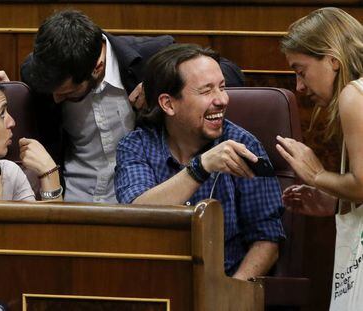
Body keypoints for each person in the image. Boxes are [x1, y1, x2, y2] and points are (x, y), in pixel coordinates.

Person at [0, 10, 245, 203]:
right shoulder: (44, 72)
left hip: (141, 203)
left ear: (97, 67)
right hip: (71, 204)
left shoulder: (152, 57)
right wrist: (0, 89)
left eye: (69, 94)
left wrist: (158, 84)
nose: (56, 99)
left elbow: (231, 75)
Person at [114, 44, 285, 279]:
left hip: (226, 284)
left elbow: (267, 239)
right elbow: (138, 215)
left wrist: (230, 295)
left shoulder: (243, 145)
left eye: (222, 88)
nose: (222, 100)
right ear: (168, 104)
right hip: (155, 286)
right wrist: (200, 167)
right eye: (207, 91)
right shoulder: (136, 146)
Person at [276, 7, 363, 310]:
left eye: (301, 71)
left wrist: (316, 174)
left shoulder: (354, 94)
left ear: (332, 60)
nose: (299, 86)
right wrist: (336, 200)